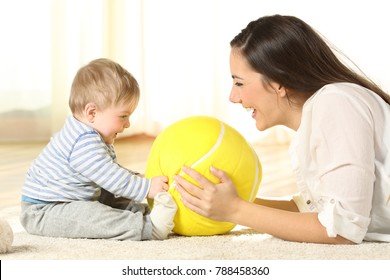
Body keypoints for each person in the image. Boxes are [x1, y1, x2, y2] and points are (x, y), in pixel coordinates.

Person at [175, 15, 390, 244]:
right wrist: (223, 201)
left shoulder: (336, 103)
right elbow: (314, 210)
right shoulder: (320, 114)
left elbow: (341, 230)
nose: (233, 97)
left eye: (239, 83)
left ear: (278, 82)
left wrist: (236, 210)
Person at [20, 58, 177, 240]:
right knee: (92, 216)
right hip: (44, 211)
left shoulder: (87, 133)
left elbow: (108, 173)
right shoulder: (81, 141)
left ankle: (141, 212)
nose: (128, 124)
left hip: (75, 198)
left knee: (109, 197)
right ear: (92, 113)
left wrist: (137, 179)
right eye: (123, 116)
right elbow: (111, 176)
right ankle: (149, 228)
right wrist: (146, 187)